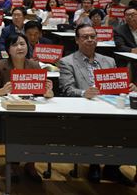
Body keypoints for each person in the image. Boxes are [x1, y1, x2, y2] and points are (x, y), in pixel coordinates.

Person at [58, 24, 137, 186]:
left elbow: (117, 86)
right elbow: (67, 89)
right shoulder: (67, 62)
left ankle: (112, 167)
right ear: (77, 40)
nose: (89, 40)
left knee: (130, 125)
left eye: (92, 37)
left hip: (111, 107)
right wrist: (83, 93)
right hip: (85, 109)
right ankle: (94, 164)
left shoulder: (109, 60)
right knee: (98, 124)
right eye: (85, 37)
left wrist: (129, 88)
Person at [0, 33, 53, 182]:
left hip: (31, 109)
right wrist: (3, 91)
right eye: (15, 44)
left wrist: (48, 92)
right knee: (14, 125)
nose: (19, 47)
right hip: (8, 110)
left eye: (22, 44)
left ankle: (31, 164)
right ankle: (12, 164)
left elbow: (44, 93)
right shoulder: (0, 65)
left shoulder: (34, 65)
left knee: (39, 125)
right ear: (8, 49)